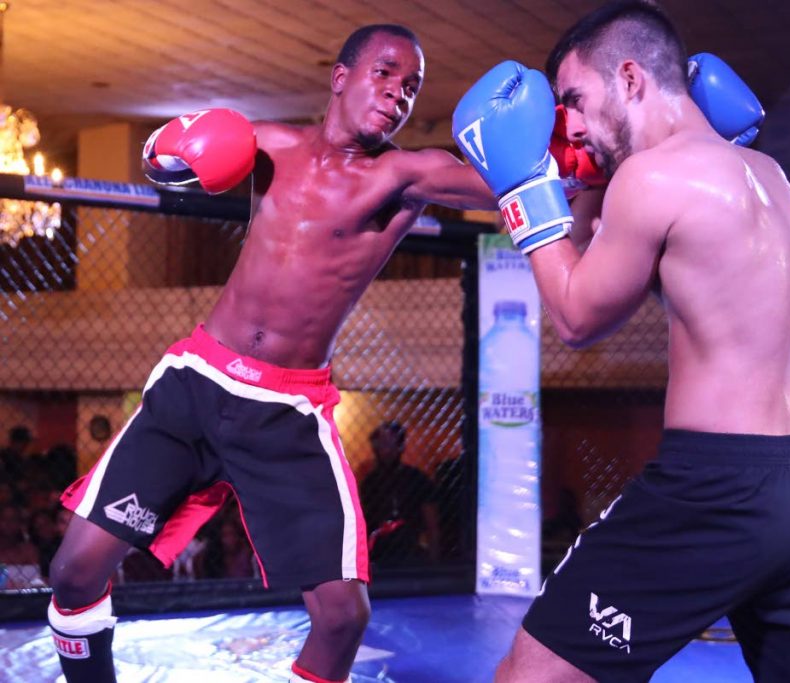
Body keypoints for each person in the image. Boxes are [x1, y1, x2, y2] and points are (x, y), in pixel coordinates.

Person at [46, 23, 494, 683]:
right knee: (73, 570)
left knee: (343, 615)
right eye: (386, 74)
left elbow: (512, 191)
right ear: (340, 77)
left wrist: (573, 162)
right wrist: (170, 150)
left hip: (285, 408)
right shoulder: (269, 144)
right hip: (197, 382)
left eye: (411, 88)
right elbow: (163, 159)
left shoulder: (403, 174)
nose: (398, 95)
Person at [453, 2, 790, 681]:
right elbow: (612, 265)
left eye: (576, 101)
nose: (573, 125)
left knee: (528, 677)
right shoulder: (770, 177)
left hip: (718, 485)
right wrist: (584, 183)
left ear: (631, 78)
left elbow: (577, 316)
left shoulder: (653, 178)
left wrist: (523, 187)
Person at [359, 420, 441, 564]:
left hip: (410, 552)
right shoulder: (370, 482)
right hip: (378, 554)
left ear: (400, 446)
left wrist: (433, 561)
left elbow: (431, 523)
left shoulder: (417, 479)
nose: (385, 450)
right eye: (381, 444)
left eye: (390, 443)